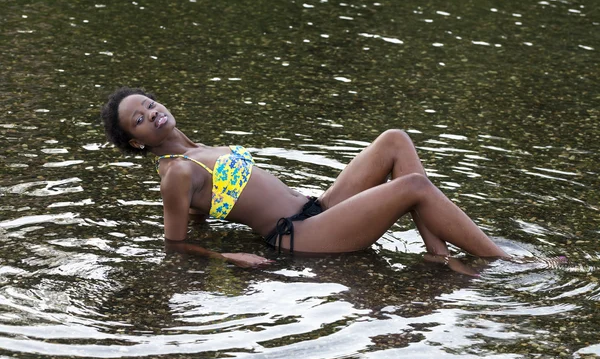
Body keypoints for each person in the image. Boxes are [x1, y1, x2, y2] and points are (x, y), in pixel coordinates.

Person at [101, 87, 511, 274]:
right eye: (139, 119)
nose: (152, 113)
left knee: (394, 141)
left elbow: (197, 210)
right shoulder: (175, 173)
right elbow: (173, 244)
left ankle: (438, 254)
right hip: (298, 234)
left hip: (316, 207)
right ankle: (503, 260)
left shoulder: (193, 150)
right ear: (136, 143)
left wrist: (202, 218)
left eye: (149, 103)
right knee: (414, 188)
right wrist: (227, 258)